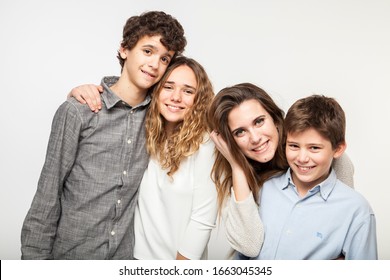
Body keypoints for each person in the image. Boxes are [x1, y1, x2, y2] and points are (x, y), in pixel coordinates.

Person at [21, 11, 186, 260]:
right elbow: (47, 196)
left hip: (125, 260)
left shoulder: (161, 118)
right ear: (124, 50)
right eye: (148, 51)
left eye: (165, 58)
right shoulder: (79, 111)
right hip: (70, 258)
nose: (155, 64)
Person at [69, 56, 218, 260]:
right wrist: (80, 93)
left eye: (188, 91)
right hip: (131, 259)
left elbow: (203, 220)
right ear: (156, 92)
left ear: (198, 100)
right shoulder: (145, 131)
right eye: (168, 87)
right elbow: (123, 98)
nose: (176, 97)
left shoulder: (205, 145)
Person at [207, 84, 357, 258]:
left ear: (274, 118)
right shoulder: (231, 173)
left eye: (259, 121)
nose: (255, 138)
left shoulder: (328, 158)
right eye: (240, 132)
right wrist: (237, 166)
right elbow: (249, 246)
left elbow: (343, 224)